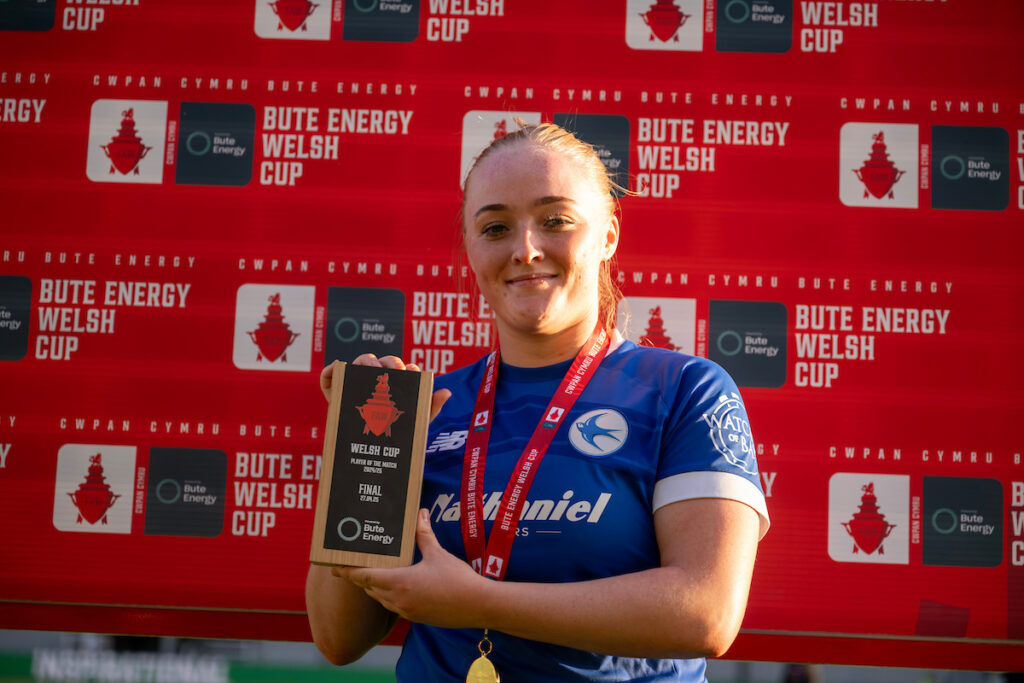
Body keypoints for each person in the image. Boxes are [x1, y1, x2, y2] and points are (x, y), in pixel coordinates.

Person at [306, 121, 770, 682]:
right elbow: (339, 637)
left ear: (607, 237)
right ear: (472, 248)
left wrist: (479, 603)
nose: (526, 250)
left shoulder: (684, 391)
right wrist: (361, 463)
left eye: (555, 221)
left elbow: (705, 613)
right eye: (496, 227)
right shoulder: (424, 409)